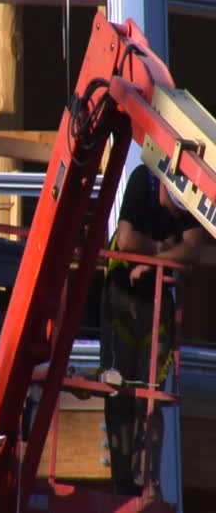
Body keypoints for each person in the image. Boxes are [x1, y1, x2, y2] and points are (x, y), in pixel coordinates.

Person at [100, 163, 204, 499]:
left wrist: (152, 262)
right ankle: (122, 484)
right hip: (121, 300)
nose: (175, 216)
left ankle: (146, 483)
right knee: (119, 392)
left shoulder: (189, 190)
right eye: (174, 207)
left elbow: (193, 249)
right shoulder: (142, 181)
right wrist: (162, 253)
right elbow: (126, 238)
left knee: (151, 397)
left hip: (155, 305)